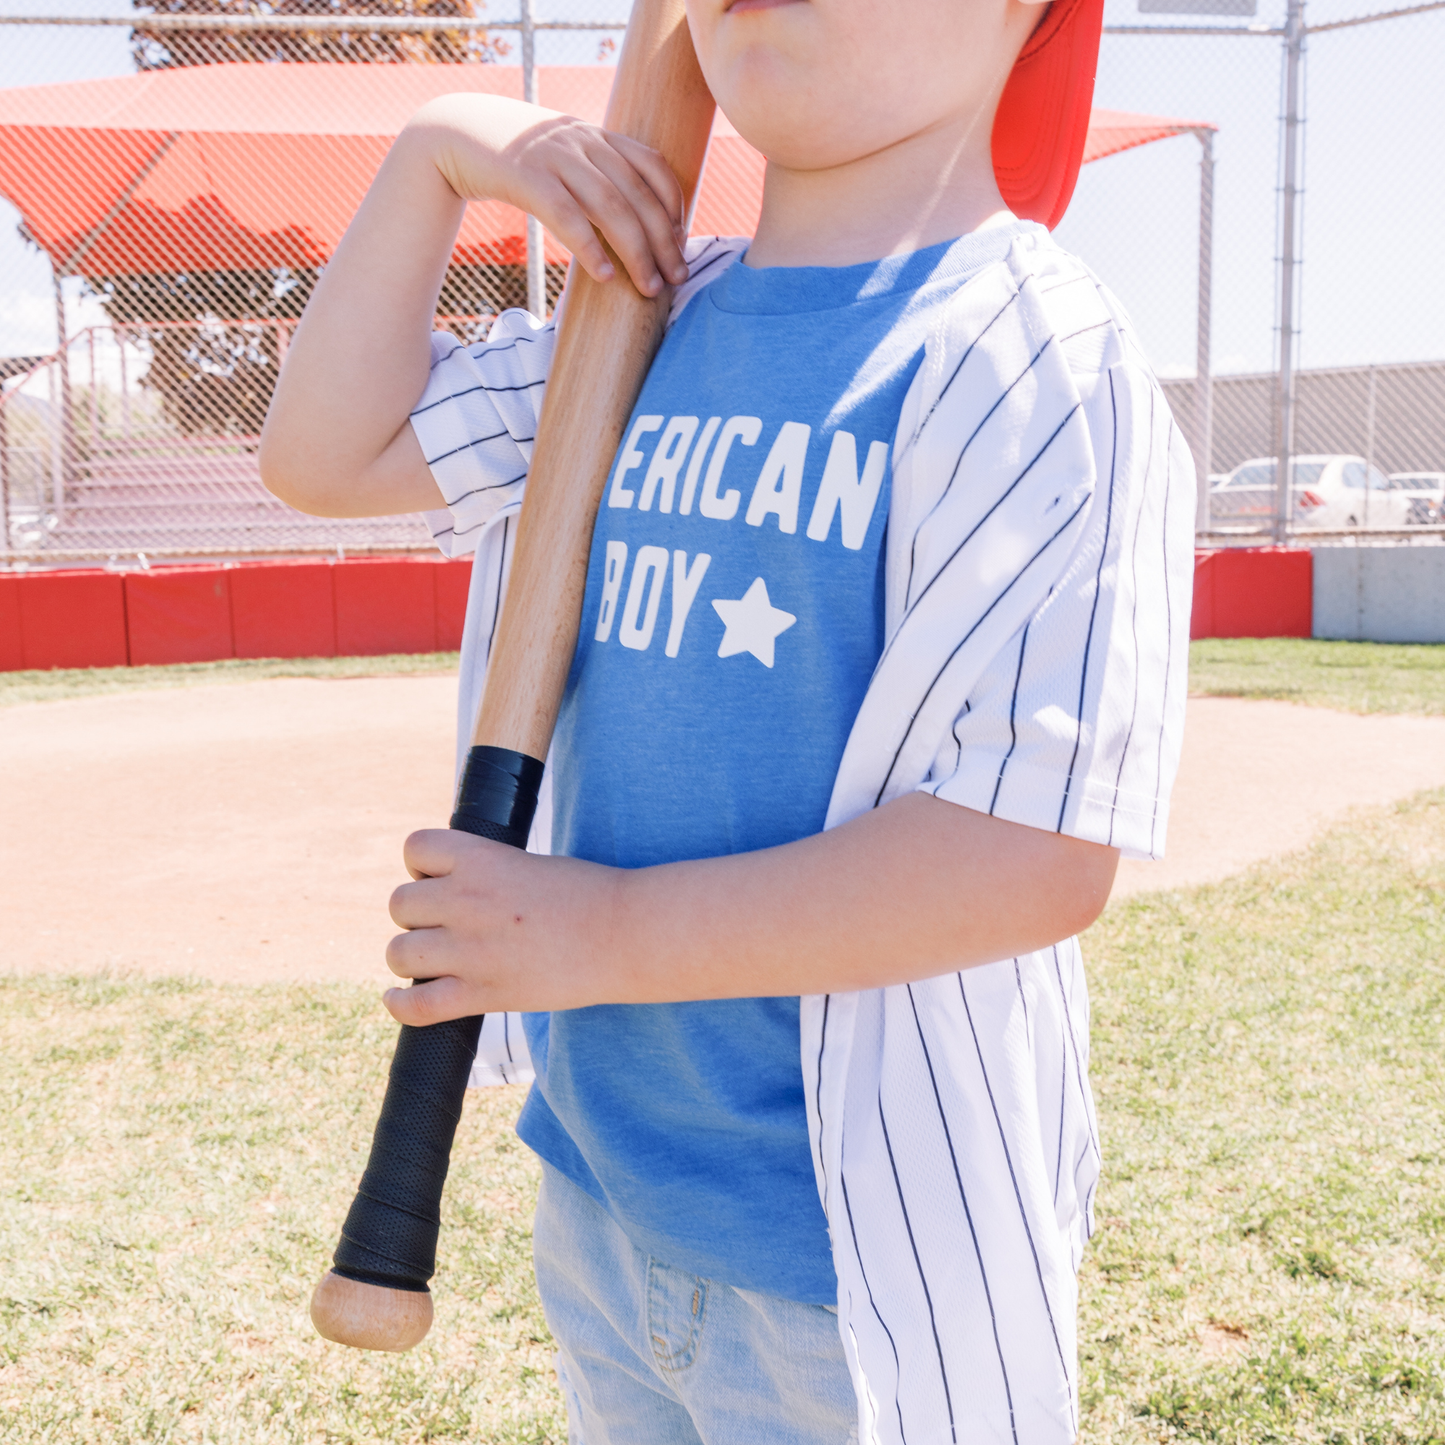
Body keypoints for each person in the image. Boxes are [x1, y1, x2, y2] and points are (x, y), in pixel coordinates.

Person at [261, 0, 1196, 1439]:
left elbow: (1033, 853)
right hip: (608, 1192)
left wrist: (602, 934)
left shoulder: (1031, 357)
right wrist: (443, 154)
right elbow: (325, 453)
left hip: (862, 1261)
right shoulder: (635, 315)